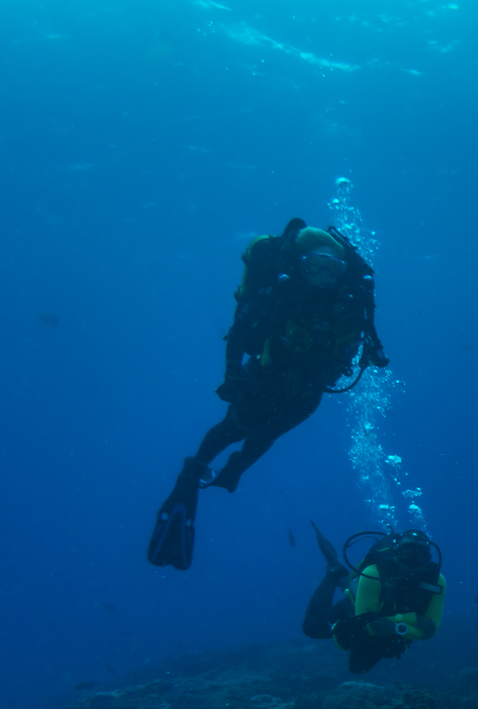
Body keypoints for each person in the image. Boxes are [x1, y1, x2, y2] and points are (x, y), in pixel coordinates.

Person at [146, 219, 389, 570]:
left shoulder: (353, 298)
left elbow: (371, 336)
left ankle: (236, 468)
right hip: (266, 378)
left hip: (310, 392)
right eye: (314, 266)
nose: (323, 275)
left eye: (331, 267)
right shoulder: (282, 291)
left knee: (270, 432)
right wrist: (231, 375)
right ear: (302, 267)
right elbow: (240, 328)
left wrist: (373, 353)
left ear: (342, 270)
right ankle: (192, 472)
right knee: (234, 426)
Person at [303, 522, 445, 674]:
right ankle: (334, 573)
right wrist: (416, 620)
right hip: (359, 608)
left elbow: (431, 629)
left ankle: (344, 580)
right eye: (406, 554)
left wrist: (395, 628)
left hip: (383, 615)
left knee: (359, 667)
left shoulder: (437, 581)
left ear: (428, 559)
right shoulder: (374, 573)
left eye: (420, 555)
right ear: (397, 553)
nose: (412, 562)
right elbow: (367, 625)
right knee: (312, 628)